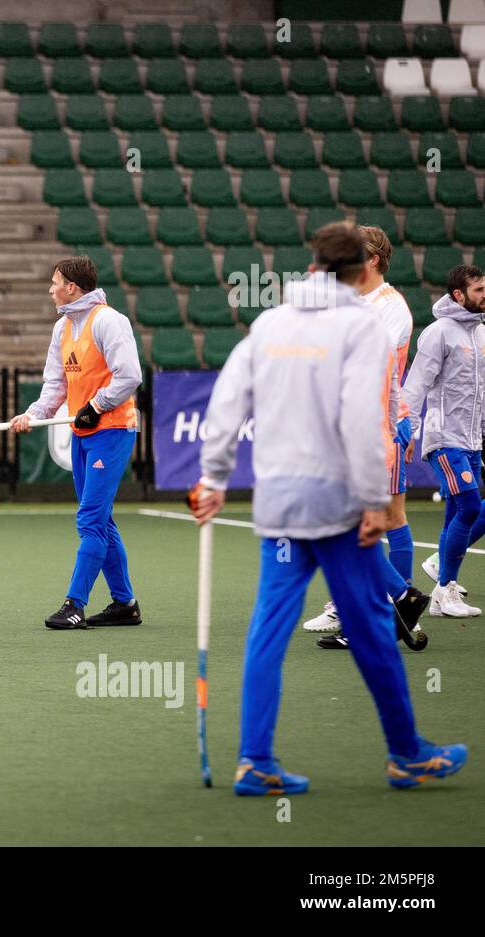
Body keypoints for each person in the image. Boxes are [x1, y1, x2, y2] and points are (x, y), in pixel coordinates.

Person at [191, 223, 466, 794]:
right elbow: (361, 420)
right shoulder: (360, 327)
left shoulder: (271, 323)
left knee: (268, 632)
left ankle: (253, 761)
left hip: (280, 503)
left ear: (312, 265)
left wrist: (212, 478)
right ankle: (406, 753)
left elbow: (226, 402)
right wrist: (372, 500)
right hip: (339, 506)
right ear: (363, 270)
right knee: (370, 631)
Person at [303, 225, 431, 647]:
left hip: (378, 426)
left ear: (372, 259)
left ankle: (392, 602)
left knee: (372, 522)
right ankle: (396, 602)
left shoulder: (389, 307)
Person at [10, 256, 143, 630]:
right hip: (83, 433)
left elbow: (130, 375)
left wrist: (96, 405)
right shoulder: (62, 328)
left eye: (55, 282)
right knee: (101, 519)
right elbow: (55, 386)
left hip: (113, 429)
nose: (50, 288)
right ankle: (125, 603)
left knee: (90, 519)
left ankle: (74, 605)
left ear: (72, 286)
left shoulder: (108, 321)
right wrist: (32, 416)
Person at [401, 264, 485, 618]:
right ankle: (444, 590)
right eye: (479, 290)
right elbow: (416, 383)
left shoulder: (481, 334)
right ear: (458, 295)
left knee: (457, 511)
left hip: (472, 439)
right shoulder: (438, 333)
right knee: (469, 507)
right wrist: (407, 427)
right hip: (444, 437)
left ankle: (441, 581)